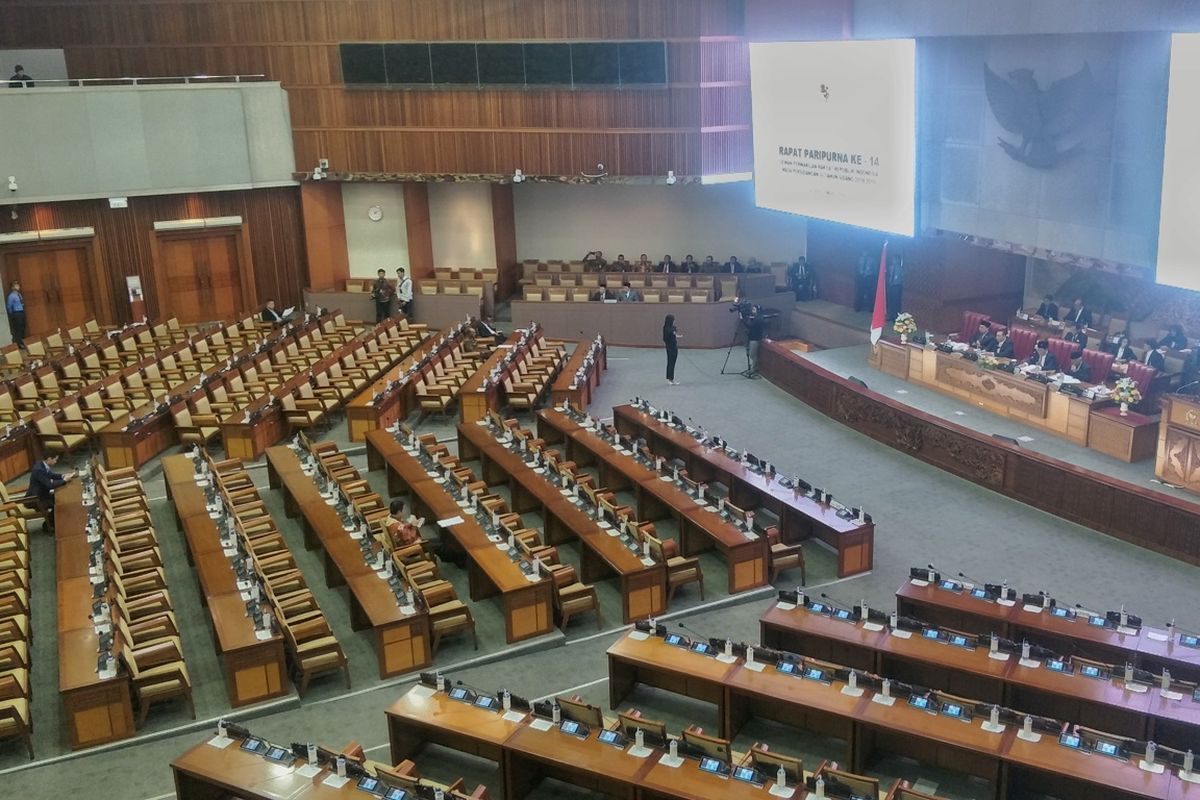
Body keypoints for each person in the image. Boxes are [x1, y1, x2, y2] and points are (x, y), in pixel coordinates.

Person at [30, 453, 73, 534]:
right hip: (36, 499)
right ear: (49, 458)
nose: (56, 462)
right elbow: (49, 485)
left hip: (42, 494)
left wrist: (63, 476)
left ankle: (54, 523)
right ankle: (50, 526)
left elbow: (51, 475)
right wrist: (64, 481)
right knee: (58, 503)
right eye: (55, 460)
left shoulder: (42, 465)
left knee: (60, 500)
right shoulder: (39, 469)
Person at [746, 304, 765, 375]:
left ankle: (753, 369)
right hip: (754, 338)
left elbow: (750, 326)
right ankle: (754, 367)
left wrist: (744, 320)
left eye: (754, 310)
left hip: (755, 339)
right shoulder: (758, 318)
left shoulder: (758, 319)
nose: (752, 311)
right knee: (754, 355)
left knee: (752, 354)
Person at [885, 251, 904, 321]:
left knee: (896, 302)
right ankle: (890, 315)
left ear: (897, 260)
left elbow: (902, 278)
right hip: (890, 285)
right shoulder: (890, 268)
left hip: (896, 286)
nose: (893, 261)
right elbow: (889, 275)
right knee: (890, 301)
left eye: (894, 259)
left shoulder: (900, 269)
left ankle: (895, 316)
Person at [6, 280, 25, 348]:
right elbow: (9, 306)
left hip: (21, 311)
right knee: (18, 328)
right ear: (12, 287)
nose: (18, 286)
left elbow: (22, 302)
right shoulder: (11, 296)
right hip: (16, 313)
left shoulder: (19, 294)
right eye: (16, 285)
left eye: (18, 285)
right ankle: (19, 343)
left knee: (22, 327)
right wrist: (12, 314)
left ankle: (23, 341)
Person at [663, 314, 680, 385]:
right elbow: (665, 338)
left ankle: (671, 378)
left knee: (673, 363)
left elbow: (675, 331)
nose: (674, 321)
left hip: (674, 347)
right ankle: (670, 378)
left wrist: (675, 334)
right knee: (670, 363)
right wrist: (672, 333)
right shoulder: (666, 328)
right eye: (673, 320)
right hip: (670, 347)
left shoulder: (673, 327)